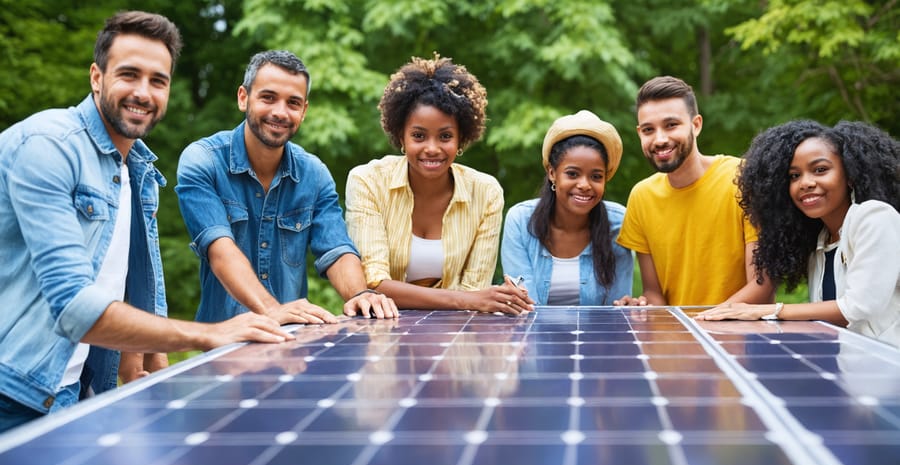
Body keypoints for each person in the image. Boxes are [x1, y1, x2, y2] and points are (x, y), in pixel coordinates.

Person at [0, 11, 291, 433]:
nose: (143, 92)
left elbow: (127, 273)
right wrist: (207, 334)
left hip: (75, 391)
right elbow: (74, 307)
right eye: (129, 75)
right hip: (13, 394)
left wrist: (150, 356)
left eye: (158, 80)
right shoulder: (49, 146)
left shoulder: (137, 168)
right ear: (97, 77)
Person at [176, 50, 398, 325]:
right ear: (243, 98)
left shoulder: (315, 174)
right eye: (268, 98)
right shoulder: (202, 160)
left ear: (304, 111)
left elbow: (337, 249)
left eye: (293, 103)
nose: (280, 112)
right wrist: (271, 309)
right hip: (225, 343)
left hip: (291, 343)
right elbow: (220, 249)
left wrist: (360, 293)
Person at [344, 55, 533, 313]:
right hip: (382, 332)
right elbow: (372, 285)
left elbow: (475, 291)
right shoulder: (368, 181)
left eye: (445, 136)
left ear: (462, 138)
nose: (432, 149)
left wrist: (474, 299)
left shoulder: (486, 193)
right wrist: (466, 300)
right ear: (401, 135)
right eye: (419, 136)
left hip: (456, 336)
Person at [697, 120, 900, 346]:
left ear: (850, 175)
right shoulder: (820, 242)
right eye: (794, 176)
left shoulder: (875, 217)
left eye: (820, 170)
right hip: (849, 369)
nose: (805, 183)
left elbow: (860, 307)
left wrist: (771, 310)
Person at [614, 76, 774, 306]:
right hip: (677, 338)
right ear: (639, 133)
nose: (660, 139)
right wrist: (642, 307)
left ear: (696, 125)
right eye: (649, 130)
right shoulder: (641, 196)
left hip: (741, 335)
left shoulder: (742, 177)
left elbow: (762, 285)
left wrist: (704, 322)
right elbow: (654, 294)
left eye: (671, 125)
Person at [501, 110, 633, 305]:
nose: (585, 185)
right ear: (552, 173)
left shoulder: (618, 224)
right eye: (572, 174)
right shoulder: (520, 221)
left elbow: (616, 308)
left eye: (596, 176)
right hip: (531, 332)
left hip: (597, 335)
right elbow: (524, 304)